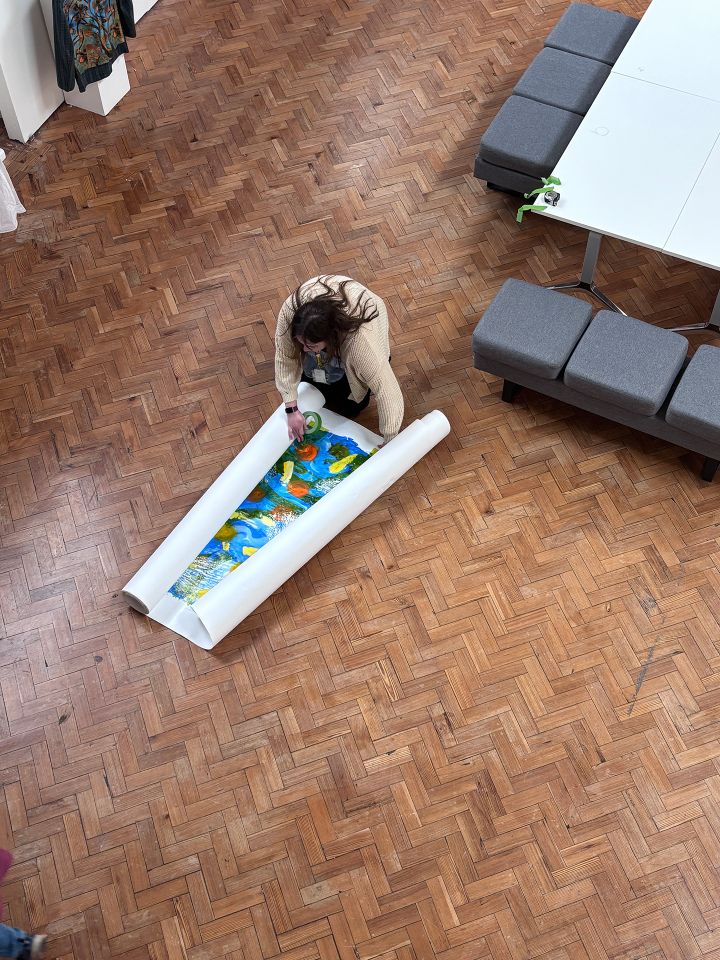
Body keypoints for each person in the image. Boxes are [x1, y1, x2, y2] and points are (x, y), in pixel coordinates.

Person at [274, 275, 404, 444]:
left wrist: (390, 439)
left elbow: (387, 391)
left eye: (311, 346)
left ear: (330, 339)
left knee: (350, 407)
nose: (304, 350)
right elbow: (285, 357)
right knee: (307, 385)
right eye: (301, 343)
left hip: (367, 312)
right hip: (326, 305)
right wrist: (291, 409)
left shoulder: (361, 344)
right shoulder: (290, 314)